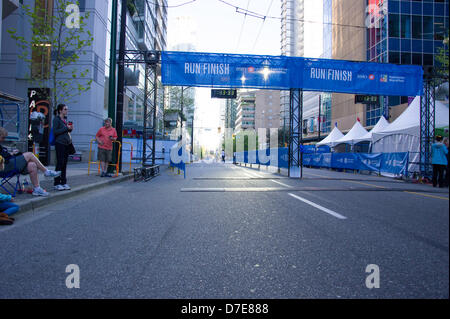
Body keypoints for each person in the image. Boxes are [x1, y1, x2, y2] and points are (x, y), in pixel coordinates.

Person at [0, 127, 61, 196]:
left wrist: (12, 153)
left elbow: (4, 154)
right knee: (30, 154)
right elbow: (4, 157)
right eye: (3, 137)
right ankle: (46, 171)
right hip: (3, 167)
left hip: (9, 164)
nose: (3, 139)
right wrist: (11, 153)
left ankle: (37, 189)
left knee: (32, 165)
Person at [53, 104, 73, 191]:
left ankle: (63, 182)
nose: (66, 111)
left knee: (64, 163)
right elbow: (55, 132)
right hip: (60, 143)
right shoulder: (56, 119)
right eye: (65, 109)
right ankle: (57, 183)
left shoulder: (64, 120)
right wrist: (66, 128)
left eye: (67, 109)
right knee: (60, 163)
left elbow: (66, 131)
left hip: (66, 143)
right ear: (60, 110)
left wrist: (70, 129)